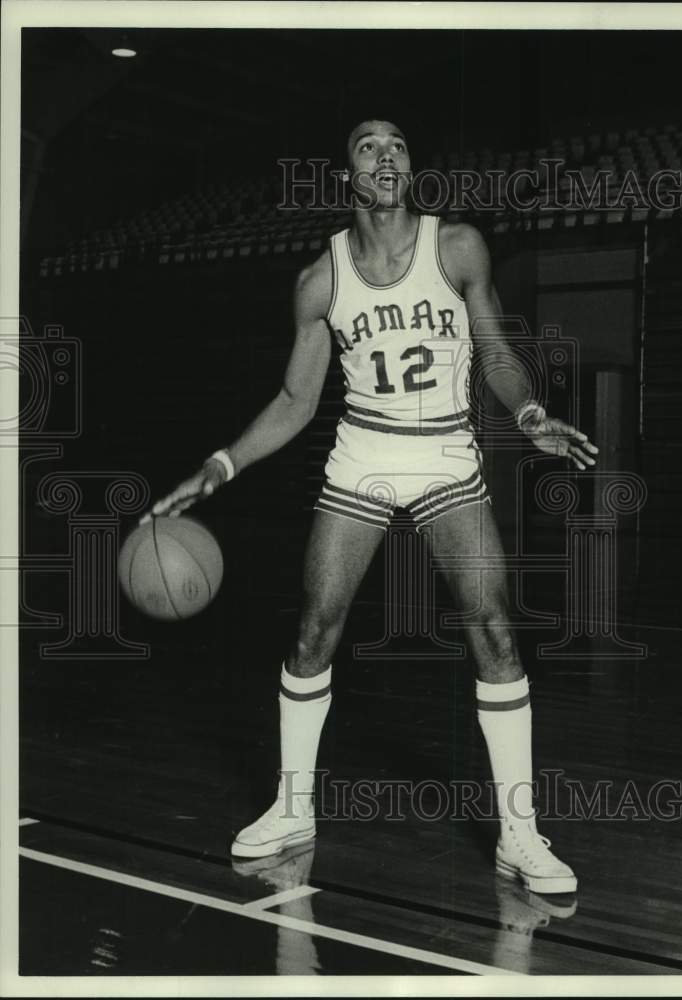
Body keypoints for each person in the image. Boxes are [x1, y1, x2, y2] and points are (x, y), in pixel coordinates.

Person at [143, 120, 598, 894]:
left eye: (397, 145)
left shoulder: (455, 246)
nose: (386, 156)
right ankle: (292, 809)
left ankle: (518, 835)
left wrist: (528, 417)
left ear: (410, 165)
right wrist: (217, 468)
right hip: (362, 456)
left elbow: (494, 354)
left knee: (493, 627)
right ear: (346, 176)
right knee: (314, 628)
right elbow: (294, 400)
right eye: (367, 146)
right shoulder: (320, 280)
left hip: (445, 452)